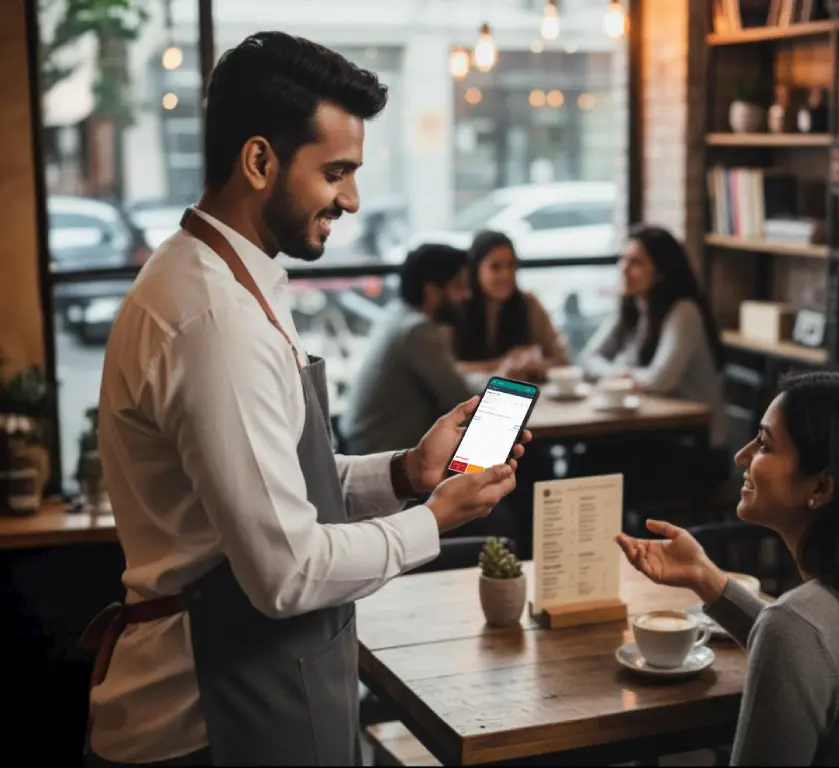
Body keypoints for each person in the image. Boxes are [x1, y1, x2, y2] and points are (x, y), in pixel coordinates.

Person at [82, 32, 528, 768]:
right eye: (336, 171)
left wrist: (407, 473)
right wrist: (432, 521)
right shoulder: (213, 321)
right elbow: (286, 570)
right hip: (205, 720)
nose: (352, 198)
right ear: (259, 161)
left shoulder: (229, 278)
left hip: (251, 688)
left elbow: (276, 477)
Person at [616, 372, 839, 766]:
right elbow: (817, 647)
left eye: (764, 444)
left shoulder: (796, 627)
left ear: (820, 489)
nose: (742, 456)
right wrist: (707, 579)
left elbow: (800, 638)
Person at [580, 224, 727, 449]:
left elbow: (661, 381)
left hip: (695, 439)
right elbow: (588, 358)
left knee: (598, 454)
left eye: (635, 262)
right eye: (623, 259)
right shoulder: (632, 306)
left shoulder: (683, 311)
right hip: (656, 430)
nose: (623, 268)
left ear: (660, 272)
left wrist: (621, 376)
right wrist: (621, 374)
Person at [342, 243, 474, 456]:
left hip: (365, 448)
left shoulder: (398, 314)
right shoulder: (417, 330)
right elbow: (464, 404)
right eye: (459, 286)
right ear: (432, 292)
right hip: (387, 459)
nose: (467, 295)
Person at [453, 230, 570, 384]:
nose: (506, 275)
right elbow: (446, 370)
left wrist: (534, 364)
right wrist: (502, 364)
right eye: (495, 267)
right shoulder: (457, 306)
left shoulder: (528, 303)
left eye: (511, 265)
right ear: (476, 270)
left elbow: (563, 362)